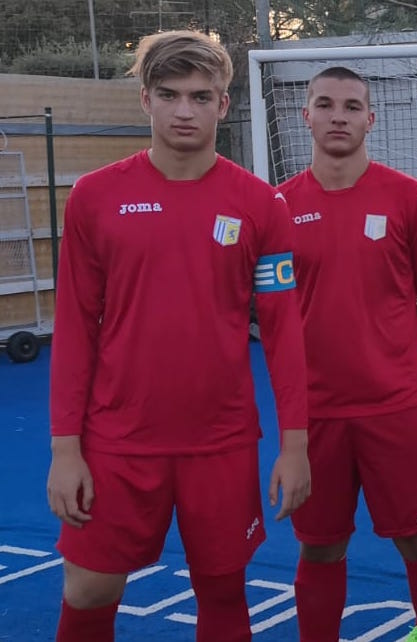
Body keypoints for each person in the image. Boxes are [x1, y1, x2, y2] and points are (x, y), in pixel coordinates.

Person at [46, 31, 311, 642]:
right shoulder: (95, 197)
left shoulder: (261, 205)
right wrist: (65, 451)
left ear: (224, 104)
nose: (184, 110)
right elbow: (76, 329)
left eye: (200, 96)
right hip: (117, 439)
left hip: (220, 442)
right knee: (88, 591)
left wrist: (295, 445)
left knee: (223, 592)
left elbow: (283, 332)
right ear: (146, 100)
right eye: (169, 94)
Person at [280, 67, 417, 642]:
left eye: (352, 107)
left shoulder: (412, 199)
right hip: (315, 414)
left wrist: (390, 340)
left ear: (370, 119)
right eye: (325, 105)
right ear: (306, 116)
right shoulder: (276, 206)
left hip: (397, 408)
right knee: (320, 547)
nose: (338, 116)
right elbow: (265, 308)